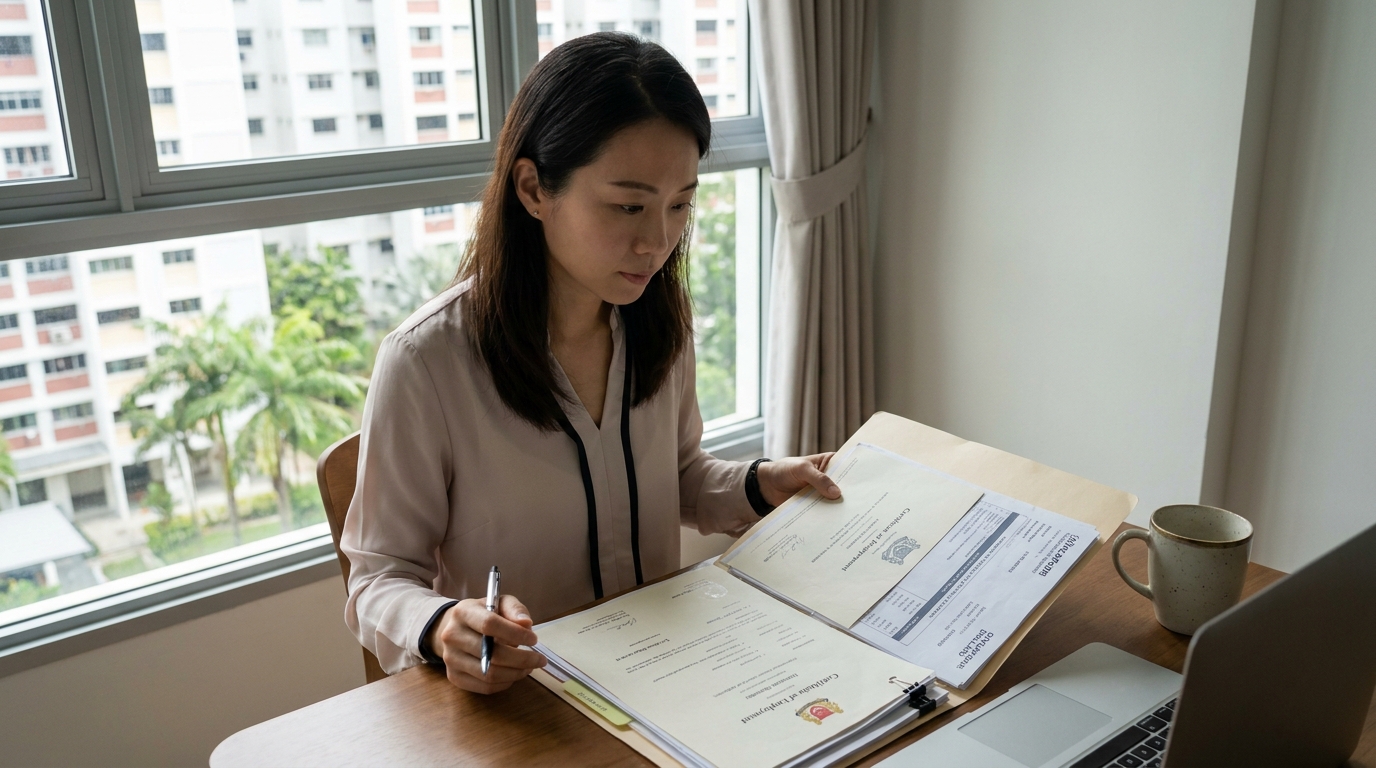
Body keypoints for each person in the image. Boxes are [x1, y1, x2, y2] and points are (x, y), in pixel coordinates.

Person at [341, 33, 842, 695]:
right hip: (526, 703)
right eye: (628, 205)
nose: (657, 240)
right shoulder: (427, 361)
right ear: (533, 188)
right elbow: (377, 578)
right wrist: (442, 625)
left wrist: (763, 484)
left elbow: (679, 476)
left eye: (680, 204)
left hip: (668, 679)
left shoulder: (660, 322)